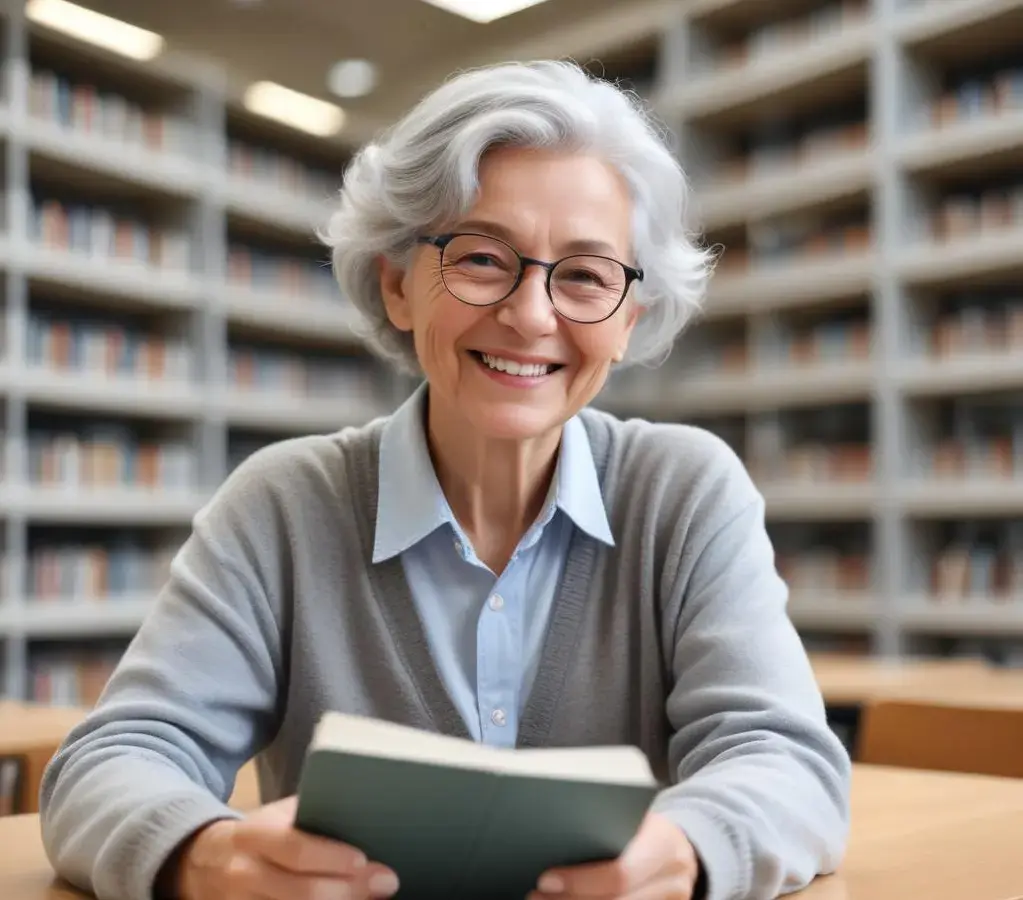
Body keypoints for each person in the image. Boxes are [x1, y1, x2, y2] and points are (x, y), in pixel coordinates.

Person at [40, 60, 850, 900]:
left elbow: (785, 761)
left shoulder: (683, 492)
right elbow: (110, 762)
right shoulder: (281, 506)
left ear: (627, 319)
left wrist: (689, 851)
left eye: (583, 275)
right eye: (481, 258)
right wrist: (202, 857)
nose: (531, 317)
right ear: (397, 285)